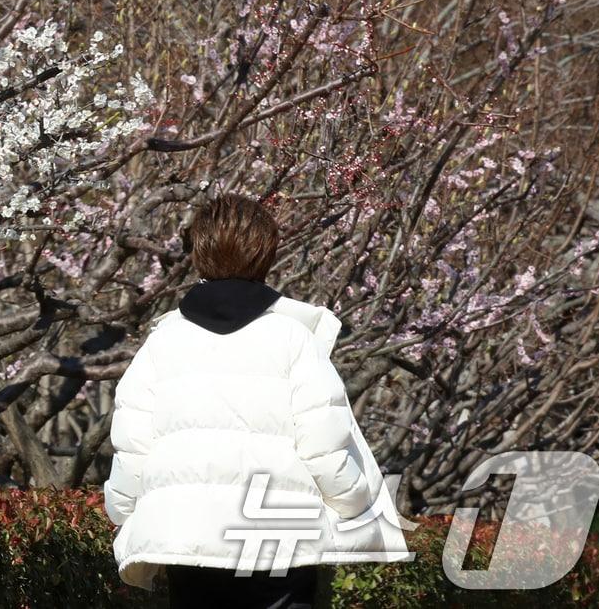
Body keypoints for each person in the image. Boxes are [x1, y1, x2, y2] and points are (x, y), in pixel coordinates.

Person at [103, 195, 405, 609]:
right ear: (265, 254)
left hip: (186, 530)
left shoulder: (163, 341)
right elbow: (323, 442)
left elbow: (133, 445)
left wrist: (122, 509)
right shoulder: (293, 338)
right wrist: (351, 502)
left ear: (197, 254)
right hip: (277, 532)